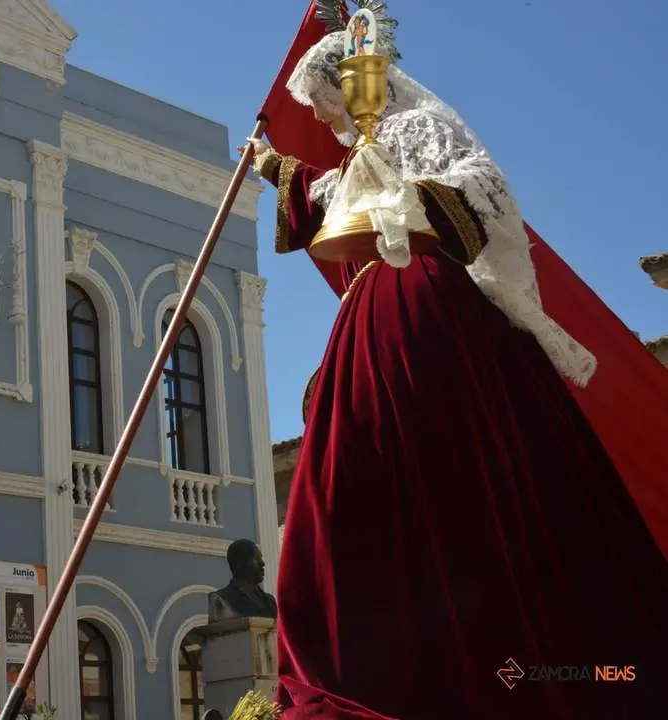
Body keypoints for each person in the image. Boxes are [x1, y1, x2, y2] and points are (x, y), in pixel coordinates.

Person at [242, 29, 668, 719]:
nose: (320, 115)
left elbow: (478, 191)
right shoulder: (365, 154)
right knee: (353, 481)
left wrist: (400, 206)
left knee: (451, 470)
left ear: (352, 87)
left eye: (323, 99)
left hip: (427, 306)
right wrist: (269, 166)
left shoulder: (414, 128)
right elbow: (328, 197)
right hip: (377, 309)